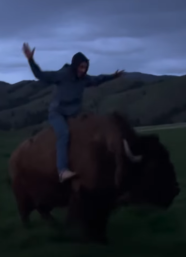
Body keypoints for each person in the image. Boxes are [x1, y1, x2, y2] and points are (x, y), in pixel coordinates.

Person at [22, 43, 124, 183]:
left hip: (73, 115)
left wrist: (113, 76)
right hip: (57, 113)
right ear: (75, 65)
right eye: (81, 67)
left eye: (85, 67)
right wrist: (31, 60)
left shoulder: (84, 79)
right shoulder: (62, 75)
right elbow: (41, 75)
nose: (83, 70)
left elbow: (98, 79)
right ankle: (62, 171)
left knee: (87, 130)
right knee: (64, 133)